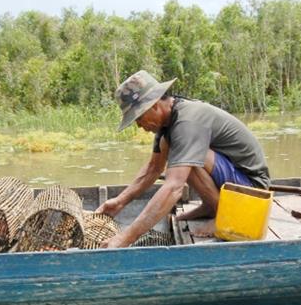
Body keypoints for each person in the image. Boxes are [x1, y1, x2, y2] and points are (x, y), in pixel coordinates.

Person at [96, 70, 270, 248]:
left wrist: (126, 238)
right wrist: (119, 202)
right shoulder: (167, 125)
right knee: (182, 155)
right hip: (233, 185)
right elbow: (153, 169)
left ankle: (224, 215)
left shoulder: (187, 122)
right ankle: (211, 206)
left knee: (186, 159)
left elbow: (173, 188)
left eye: (139, 118)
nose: (139, 125)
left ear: (154, 105)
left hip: (252, 192)